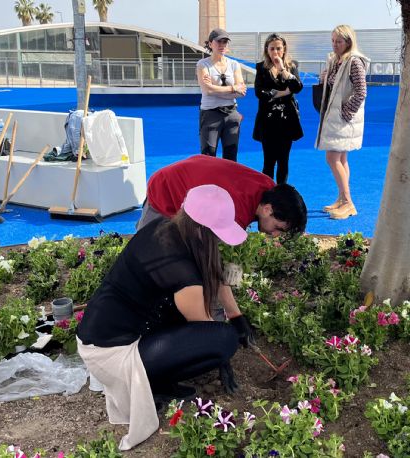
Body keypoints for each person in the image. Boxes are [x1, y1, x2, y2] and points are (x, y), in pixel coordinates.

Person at [76, 185, 254, 450]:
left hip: (102, 336)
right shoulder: (181, 270)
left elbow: (215, 270)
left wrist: (236, 314)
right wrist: (226, 349)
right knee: (223, 339)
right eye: (217, 234)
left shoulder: (166, 229)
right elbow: (204, 329)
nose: (218, 241)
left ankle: (158, 376)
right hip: (114, 355)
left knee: (210, 329)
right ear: (204, 231)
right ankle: (154, 382)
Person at [137, 155, 307, 237]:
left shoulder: (271, 190)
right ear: (267, 209)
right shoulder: (235, 211)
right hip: (166, 188)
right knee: (144, 248)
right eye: (278, 228)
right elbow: (214, 253)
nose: (277, 235)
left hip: (192, 174)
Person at [315, 25, 368, 220]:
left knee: (332, 158)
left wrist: (347, 112)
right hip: (336, 116)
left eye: (339, 41)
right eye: (333, 41)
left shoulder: (354, 62)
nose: (335, 44)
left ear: (348, 42)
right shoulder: (336, 61)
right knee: (342, 159)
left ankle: (348, 202)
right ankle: (341, 198)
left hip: (343, 118)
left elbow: (361, 91)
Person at [253, 33, 304, 184]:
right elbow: (259, 92)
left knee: (283, 161)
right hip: (267, 121)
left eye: (278, 48)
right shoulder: (261, 68)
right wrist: (282, 92)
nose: (275, 52)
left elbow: (297, 87)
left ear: (284, 49)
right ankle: (268, 194)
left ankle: (282, 194)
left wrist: (282, 70)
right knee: (268, 161)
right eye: (272, 48)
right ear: (267, 50)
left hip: (287, 121)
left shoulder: (291, 66)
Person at [196, 28, 247, 161]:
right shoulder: (203, 64)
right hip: (210, 115)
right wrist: (233, 88)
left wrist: (214, 88)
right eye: (219, 41)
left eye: (225, 42)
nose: (222, 45)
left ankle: (227, 183)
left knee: (231, 158)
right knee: (208, 157)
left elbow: (241, 92)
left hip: (231, 115)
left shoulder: (234, 64)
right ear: (210, 43)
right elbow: (207, 91)